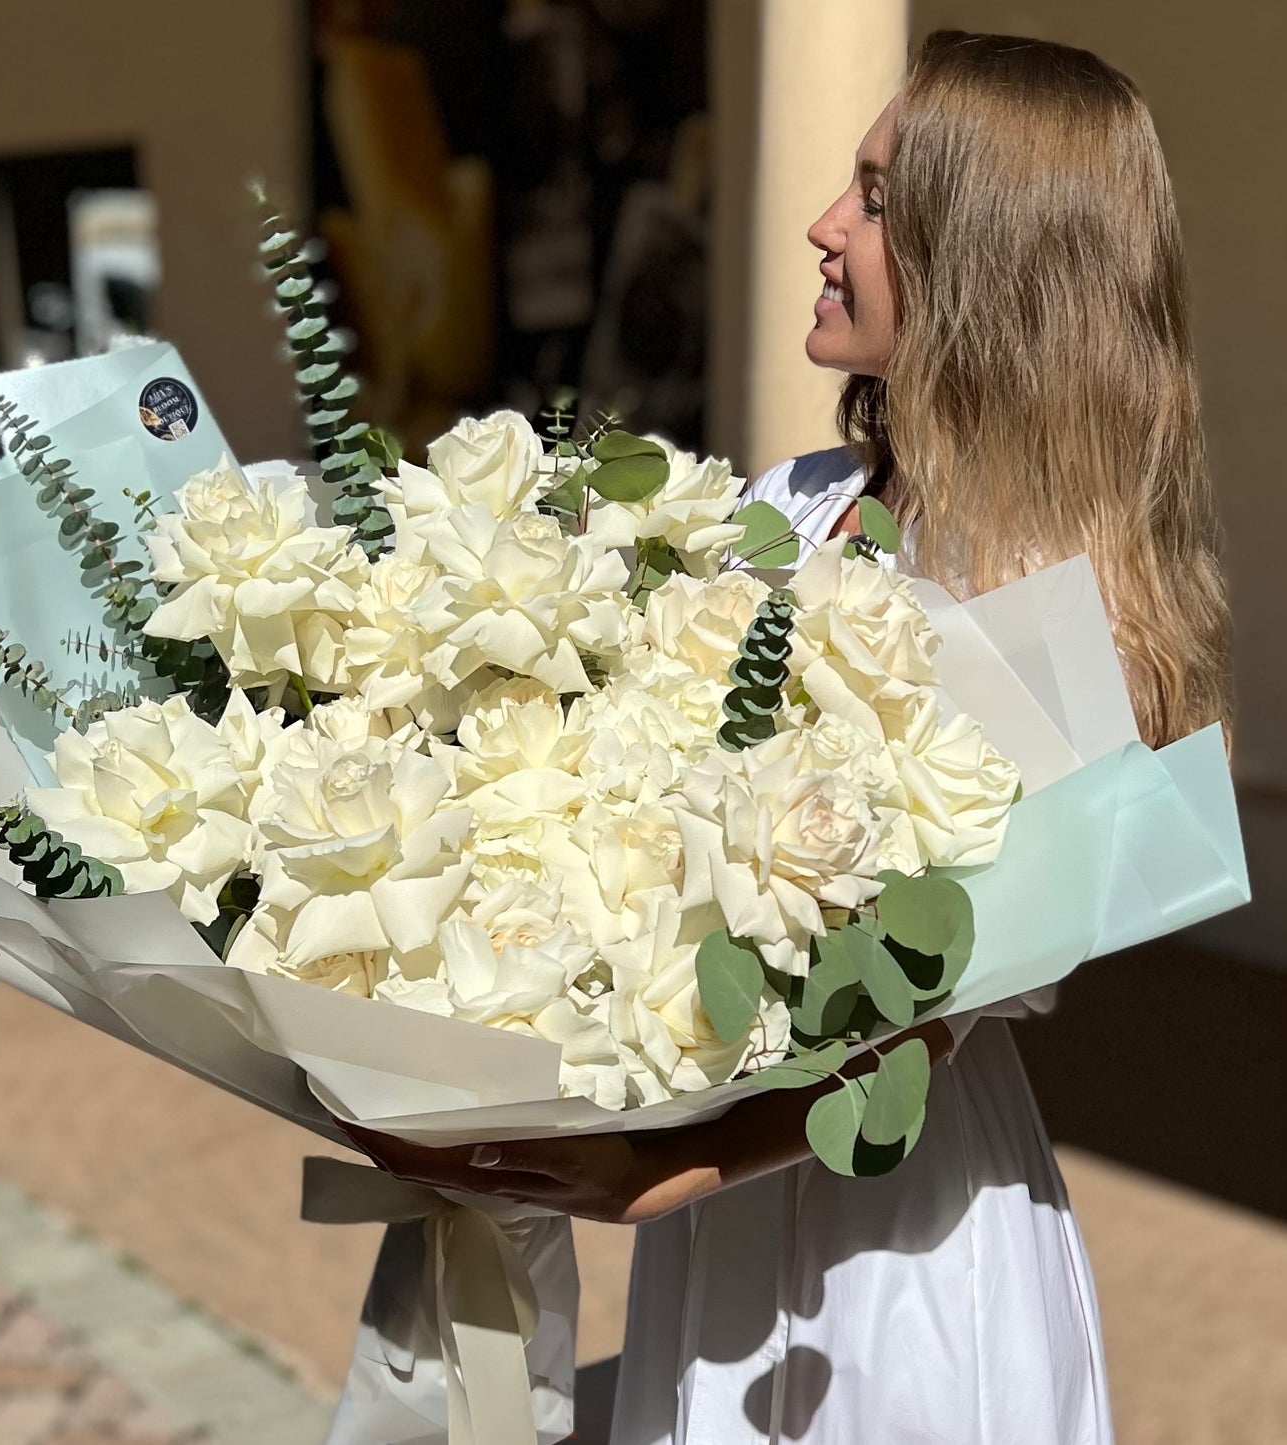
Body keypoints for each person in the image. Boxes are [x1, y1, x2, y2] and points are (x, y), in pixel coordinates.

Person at [347, 30, 1233, 1443]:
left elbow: (925, 1022)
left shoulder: (1065, 617)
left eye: (876, 199)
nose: (823, 226)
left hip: (899, 1236)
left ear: (991, 255)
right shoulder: (794, 501)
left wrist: (654, 1175)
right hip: (717, 1201)